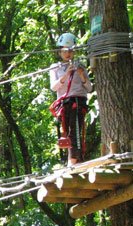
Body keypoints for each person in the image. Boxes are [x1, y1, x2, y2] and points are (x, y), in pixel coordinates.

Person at [49, 33, 92, 166]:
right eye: (65, 50)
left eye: (71, 50)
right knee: (67, 133)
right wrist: (66, 75)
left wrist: (81, 74)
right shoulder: (55, 67)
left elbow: (89, 88)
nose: (68, 54)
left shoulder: (81, 67)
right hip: (64, 103)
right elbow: (54, 87)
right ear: (60, 51)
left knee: (75, 130)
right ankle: (71, 160)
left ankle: (73, 161)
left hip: (78, 102)